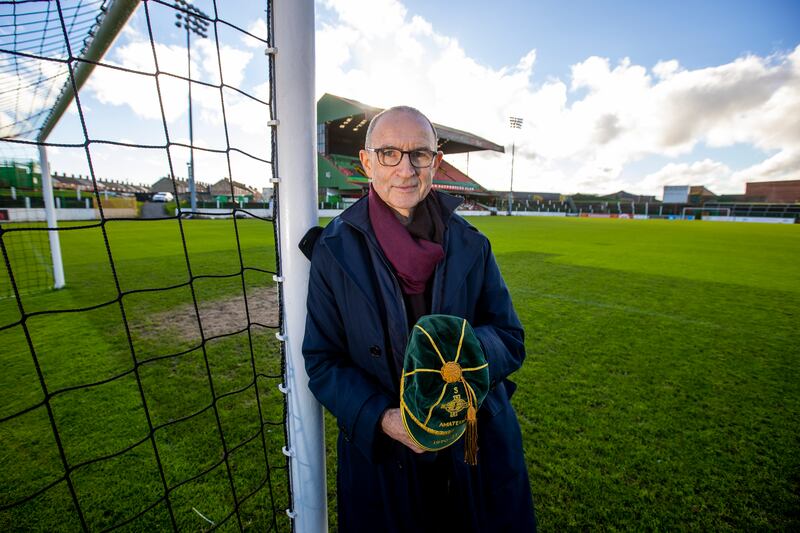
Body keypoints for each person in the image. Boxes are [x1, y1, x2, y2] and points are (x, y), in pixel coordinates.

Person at [302, 106, 536, 532]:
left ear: (437, 161)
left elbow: (510, 337)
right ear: (367, 161)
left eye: (419, 154)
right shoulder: (332, 250)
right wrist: (383, 418)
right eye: (389, 153)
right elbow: (322, 360)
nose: (405, 169)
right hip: (384, 461)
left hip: (475, 446)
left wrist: (464, 355)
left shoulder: (472, 244)